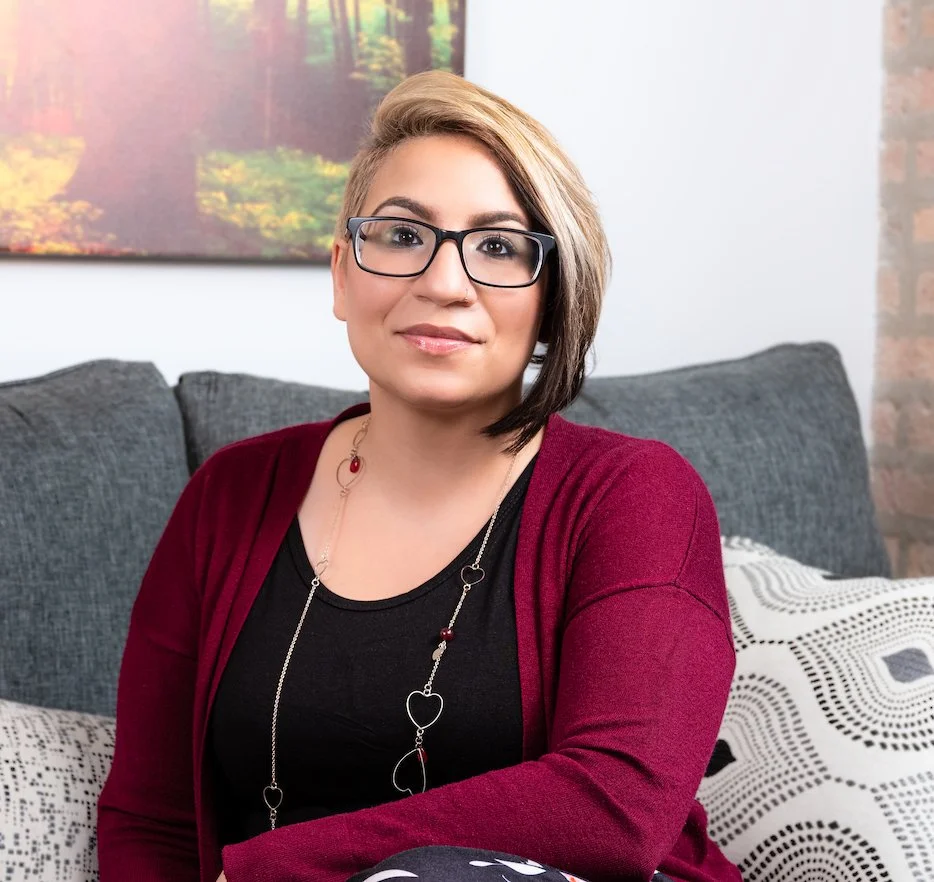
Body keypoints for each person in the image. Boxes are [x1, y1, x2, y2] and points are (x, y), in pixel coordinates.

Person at [97, 70, 740, 882]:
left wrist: (268, 869)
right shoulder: (230, 495)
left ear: (553, 298)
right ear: (341, 271)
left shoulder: (635, 495)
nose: (443, 284)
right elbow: (148, 817)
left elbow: (617, 806)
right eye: (402, 237)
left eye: (499, 248)